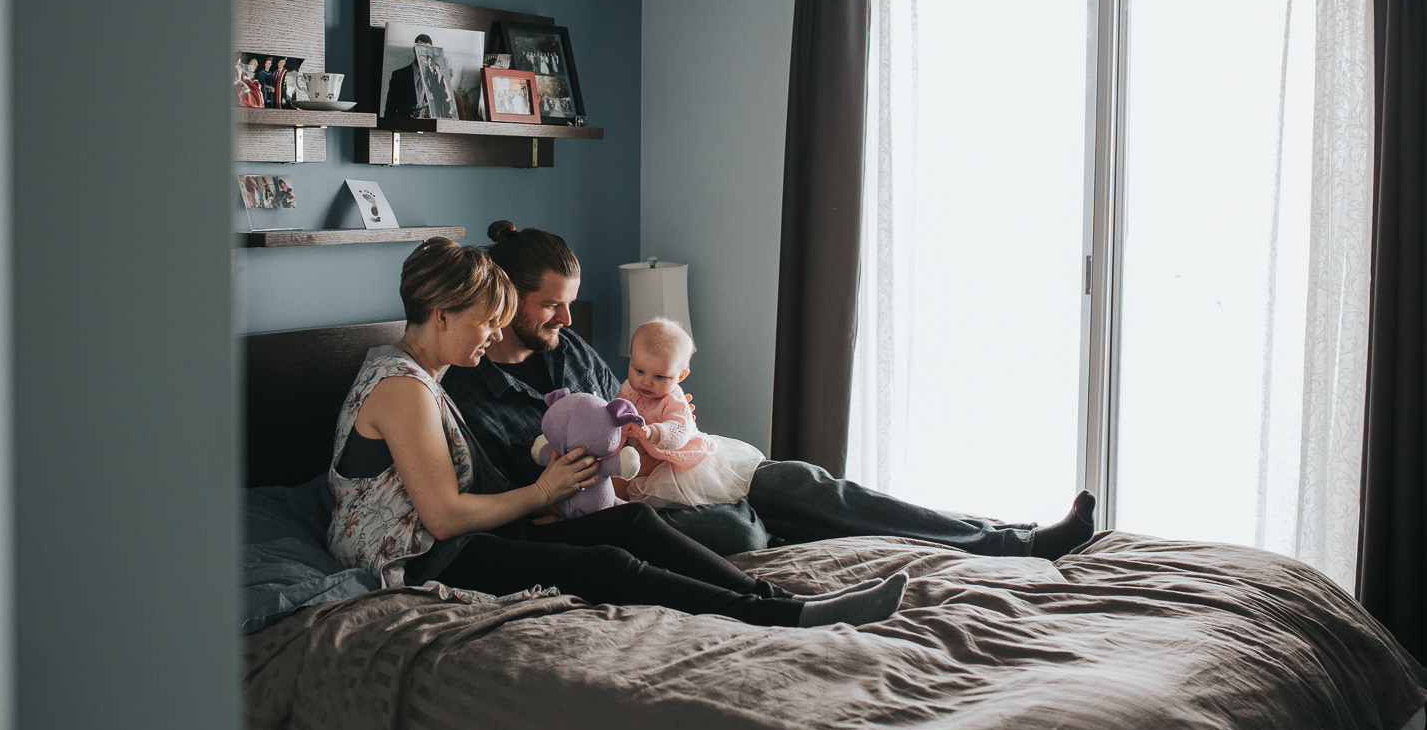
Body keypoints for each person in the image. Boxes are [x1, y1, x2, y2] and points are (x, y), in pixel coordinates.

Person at [324, 236, 907, 629]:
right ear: (442, 314)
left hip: (456, 542)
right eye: (485, 323)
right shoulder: (403, 388)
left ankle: (786, 603)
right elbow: (444, 517)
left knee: (632, 522)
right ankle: (781, 618)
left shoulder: (420, 375)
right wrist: (545, 492)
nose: (491, 336)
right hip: (426, 561)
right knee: (603, 564)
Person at [440, 221, 1098, 559]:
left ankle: (1010, 540)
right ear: (505, 296)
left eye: (571, 303)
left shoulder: (573, 353)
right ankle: (765, 525)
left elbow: (632, 419)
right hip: (614, 522)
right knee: (738, 529)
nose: (568, 319)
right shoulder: (466, 391)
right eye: (551, 305)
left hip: (673, 484)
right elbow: (512, 498)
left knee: (813, 485)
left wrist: (658, 435)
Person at [614, 317, 765, 510]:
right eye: (639, 370)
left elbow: (679, 429)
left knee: (686, 500)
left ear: (681, 376)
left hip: (673, 465)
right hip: (637, 466)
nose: (646, 382)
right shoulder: (628, 387)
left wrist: (653, 433)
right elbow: (617, 408)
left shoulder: (673, 399)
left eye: (659, 377)